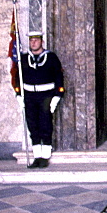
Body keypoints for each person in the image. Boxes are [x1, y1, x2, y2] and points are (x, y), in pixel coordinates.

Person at [14, 31, 64, 168]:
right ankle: (37, 155)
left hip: (45, 96)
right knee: (33, 125)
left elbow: (58, 76)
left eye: (36, 40)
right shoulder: (24, 58)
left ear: (41, 41)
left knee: (45, 125)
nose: (33, 43)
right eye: (31, 41)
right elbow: (18, 77)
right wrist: (18, 94)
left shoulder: (51, 57)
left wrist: (57, 96)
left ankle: (45, 156)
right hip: (29, 96)